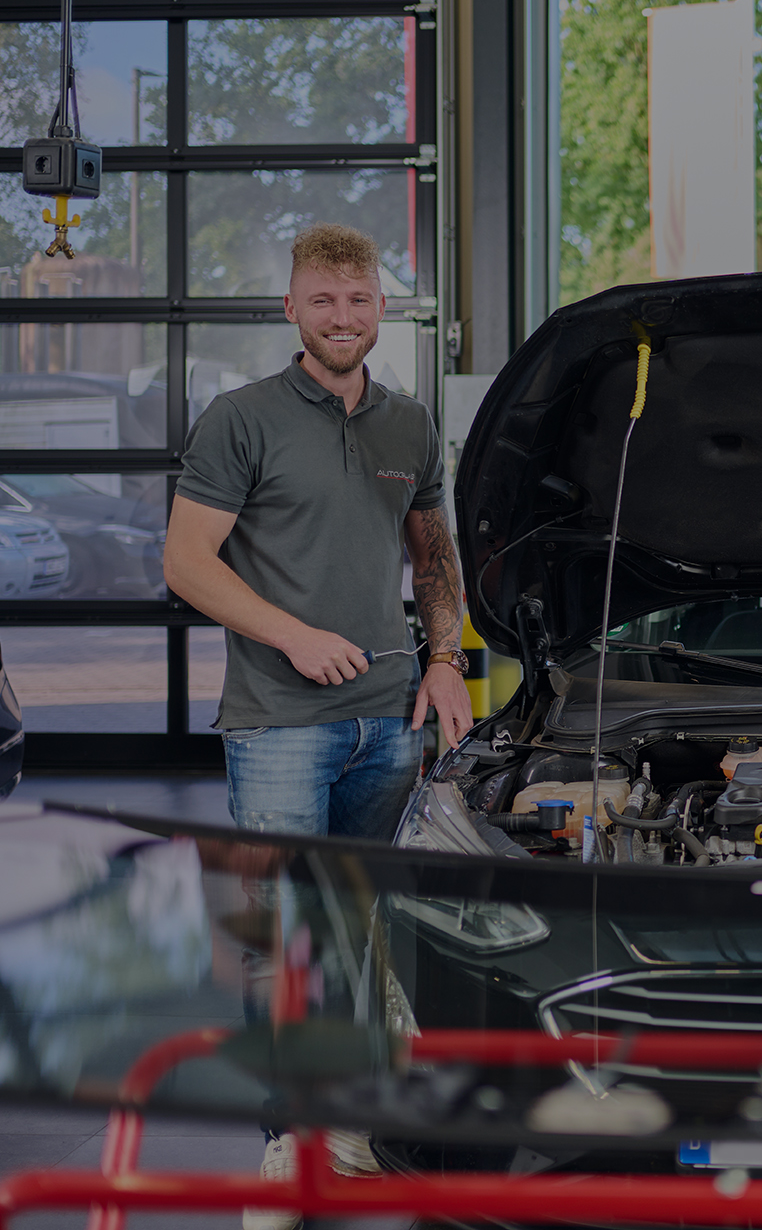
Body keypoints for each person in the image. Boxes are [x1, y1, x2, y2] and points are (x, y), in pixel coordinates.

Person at [162, 224, 473, 1226]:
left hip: (386, 719)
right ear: (291, 308)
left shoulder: (409, 424)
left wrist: (444, 657)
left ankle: (348, 1128)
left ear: (384, 306)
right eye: (324, 301)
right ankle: (282, 1145)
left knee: (365, 934)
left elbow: (433, 557)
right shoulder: (242, 418)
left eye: (362, 299)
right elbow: (189, 562)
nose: (344, 317)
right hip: (280, 720)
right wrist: (294, 635)